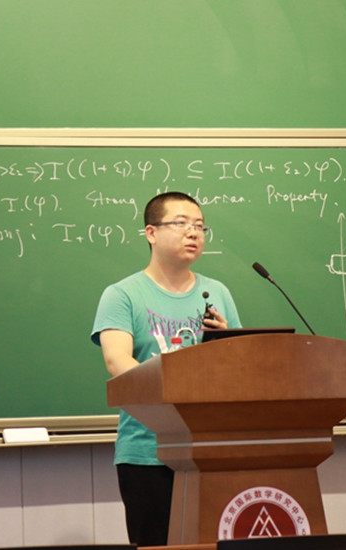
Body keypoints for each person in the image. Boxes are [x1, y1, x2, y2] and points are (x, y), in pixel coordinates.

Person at [91, 191, 241, 546]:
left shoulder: (217, 292)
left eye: (200, 226)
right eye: (181, 223)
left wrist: (225, 342)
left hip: (209, 449)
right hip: (148, 452)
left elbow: (239, 366)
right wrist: (173, 396)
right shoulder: (122, 294)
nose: (193, 233)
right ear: (151, 232)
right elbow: (117, 362)